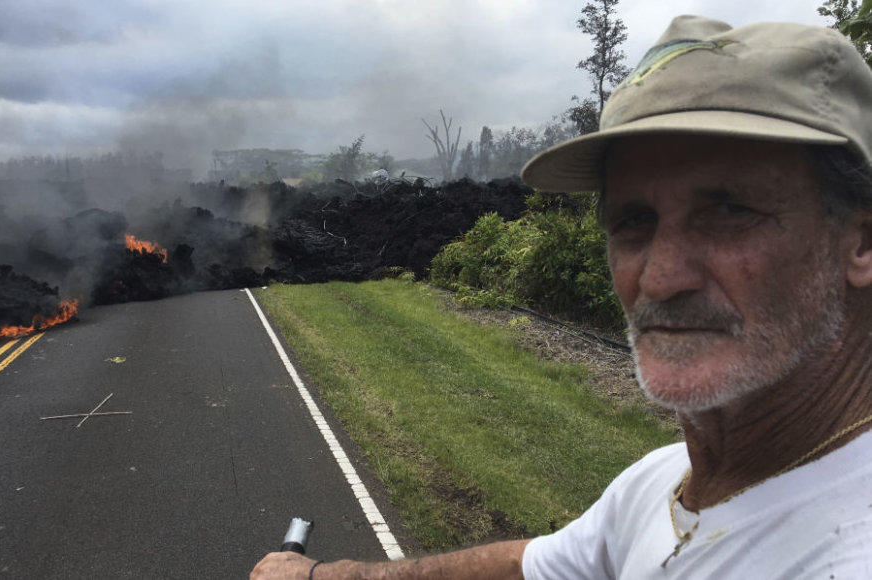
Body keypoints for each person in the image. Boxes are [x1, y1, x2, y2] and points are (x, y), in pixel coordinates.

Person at [251, 15, 872, 579]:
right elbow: (539, 567)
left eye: (730, 210)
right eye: (633, 219)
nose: (658, 278)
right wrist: (323, 576)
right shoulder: (662, 484)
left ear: (860, 241)